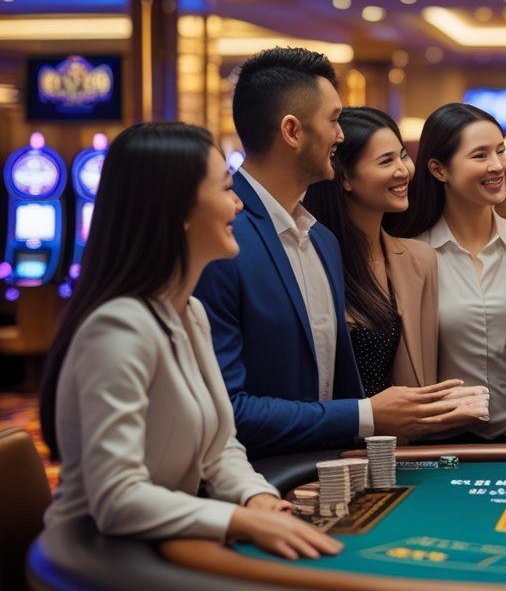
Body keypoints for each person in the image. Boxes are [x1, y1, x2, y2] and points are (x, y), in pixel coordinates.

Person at [39, 123, 339, 560]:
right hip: (97, 566)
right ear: (178, 209)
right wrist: (240, 521)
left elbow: (219, 449)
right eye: (225, 189)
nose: (238, 204)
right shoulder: (117, 328)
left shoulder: (189, 312)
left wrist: (256, 497)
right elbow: (116, 499)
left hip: (163, 546)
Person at [194, 47, 479, 458]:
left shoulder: (322, 240)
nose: (340, 135)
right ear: (292, 131)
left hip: (326, 476)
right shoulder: (223, 236)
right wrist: (367, 415)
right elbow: (225, 409)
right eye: (332, 121)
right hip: (252, 486)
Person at [302, 106, 489, 430]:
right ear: (345, 178)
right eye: (386, 161)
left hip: (397, 453)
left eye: (403, 155)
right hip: (329, 448)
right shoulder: (311, 257)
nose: (404, 170)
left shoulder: (419, 260)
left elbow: (419, 380)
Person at [391, 103, 506, 443]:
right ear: (439, 170)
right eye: (480, 156)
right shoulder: (409, 255)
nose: (498, 166)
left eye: (501, 151)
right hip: (433, 446)